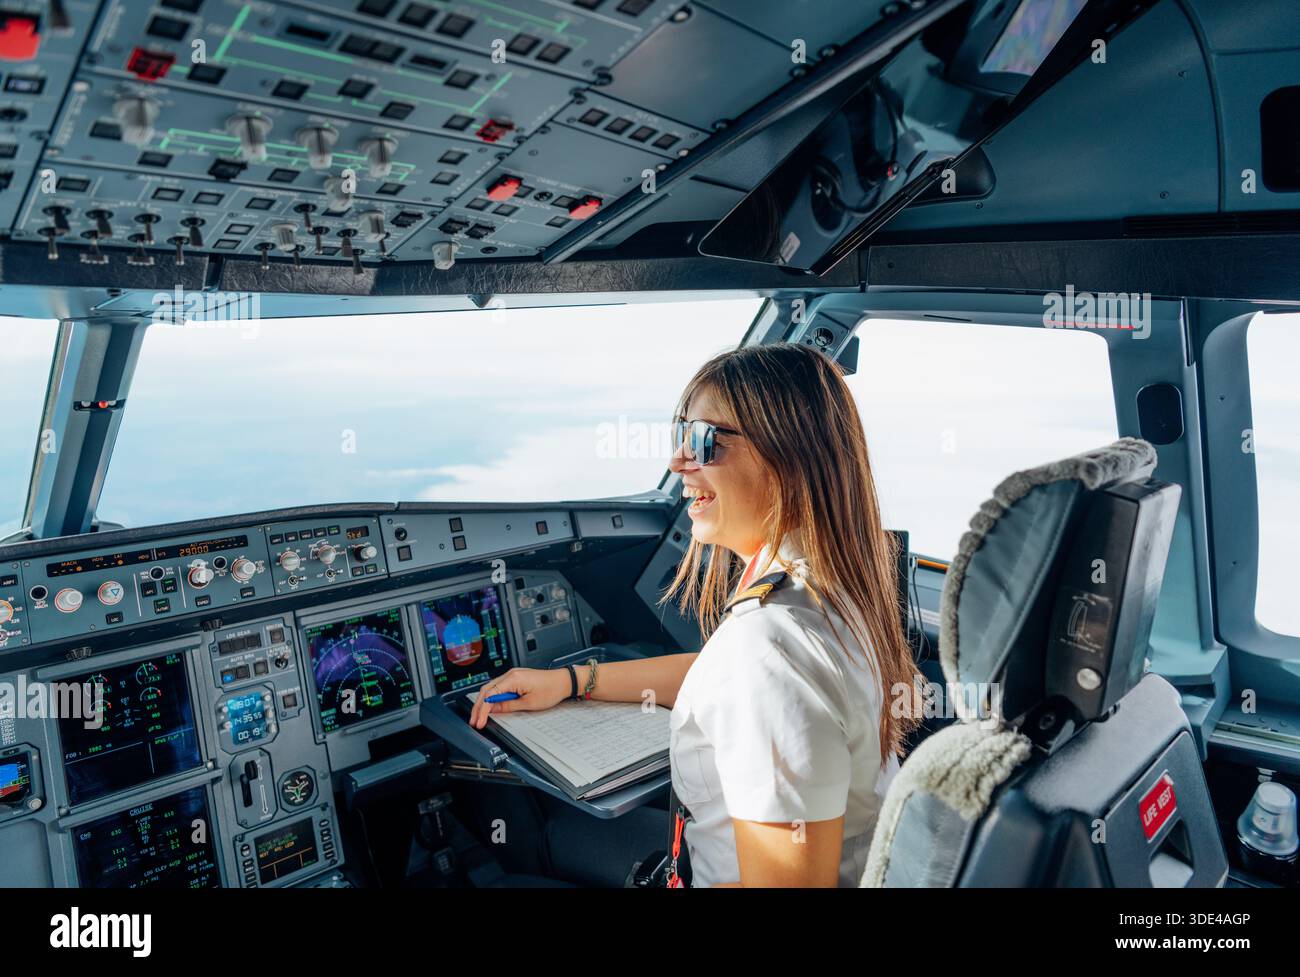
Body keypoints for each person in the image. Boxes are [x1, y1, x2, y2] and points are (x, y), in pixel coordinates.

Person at [469, 342, 919, 887]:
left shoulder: (768, 648)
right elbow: (715, 678)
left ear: (788, 456)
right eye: (681, 437)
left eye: (705, 441)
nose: (677, 461)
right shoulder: (829, 587)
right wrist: (571, 680)